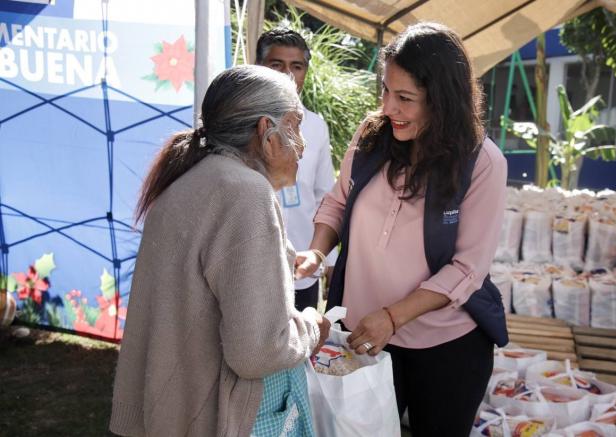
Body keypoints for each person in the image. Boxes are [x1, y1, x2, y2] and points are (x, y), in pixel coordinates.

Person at [296, 23, 508, 435]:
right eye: (386, 91)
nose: (389, 107)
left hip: (445, 348)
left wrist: (393, 317)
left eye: (405, 98)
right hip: (362, 336)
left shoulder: (482, 163)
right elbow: (338, 202)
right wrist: (317, 253)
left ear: (443, 101)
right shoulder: (373, 135)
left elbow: (468, 268)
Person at [109, 65, 330, 437]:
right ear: (266, 132)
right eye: (294, 125)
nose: (302, 145)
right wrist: (311, 328)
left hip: (168, 412)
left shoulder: (189, 178)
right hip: (215, 418)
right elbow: (257, 352)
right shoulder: (247, 193)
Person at [256, 28, 338, 312]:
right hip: (252, 268)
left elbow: (325, 196)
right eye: (276, 65)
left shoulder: (316, 126)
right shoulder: (241, 124)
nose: (287, 75)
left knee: (299, 351)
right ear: (259, 68)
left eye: (297, 66)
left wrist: (328, 261)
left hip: (301, 268)